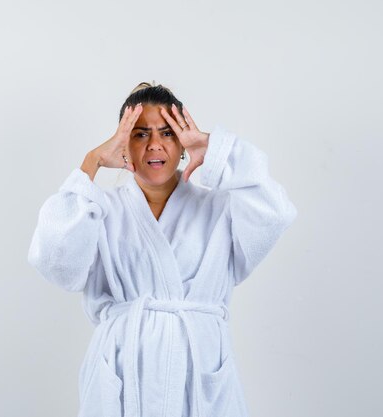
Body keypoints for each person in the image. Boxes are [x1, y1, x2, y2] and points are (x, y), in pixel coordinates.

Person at [28, 82, 298, 417]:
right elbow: (55, 260)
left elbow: (276, 212)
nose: (155, 145)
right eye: (140, 134)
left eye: (167, 133)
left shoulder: (219, 209)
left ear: (183, 144)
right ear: (123, 142)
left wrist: (217, 151)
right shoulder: (99, 210)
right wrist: (92, 162)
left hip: (198, 371)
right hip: (124, 371)